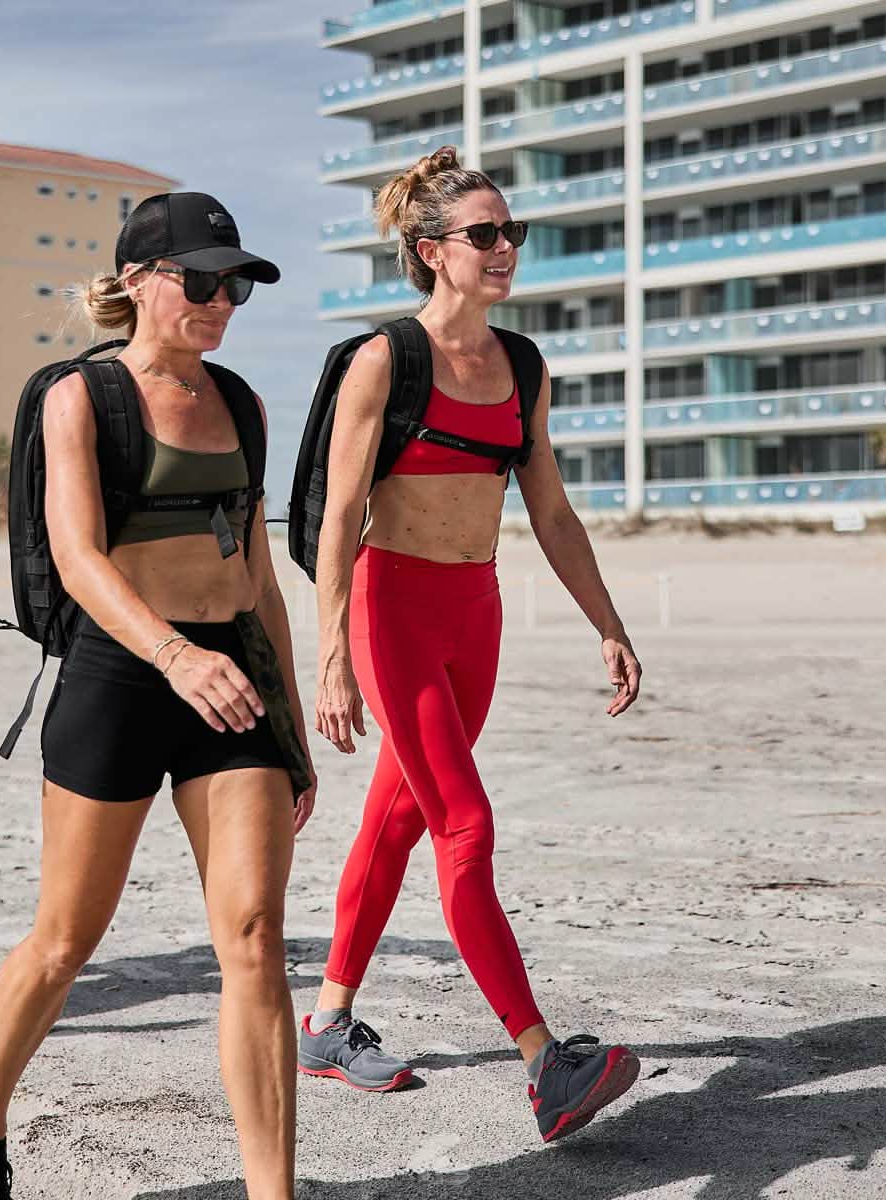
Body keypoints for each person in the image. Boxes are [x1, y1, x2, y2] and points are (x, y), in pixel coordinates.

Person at [0, 193, 316, 1200]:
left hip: (228, 678)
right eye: (202, 279)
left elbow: (258, 579)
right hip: (121, 673)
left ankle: (269, 1192)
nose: (222, 300)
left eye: (235, 284)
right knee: (65, 942)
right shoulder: (82, 395)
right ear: (142, 280)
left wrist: (287, 725)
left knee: (253, 937)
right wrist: (169, 656)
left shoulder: (241, 402)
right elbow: (75, 556)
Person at [302, 147, 643, 1144]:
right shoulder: (384, 361)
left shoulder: (522, 365)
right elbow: (338, 517)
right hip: (391, 608)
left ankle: (325, 1023)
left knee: (402, 820)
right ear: (432, 252)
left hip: (475, 612)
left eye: (512, 234)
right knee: (465, 823)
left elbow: (552, 511)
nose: (504, 251)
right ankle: (546, 1063)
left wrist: (609, 623)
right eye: (483, 235)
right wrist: (331, 653)